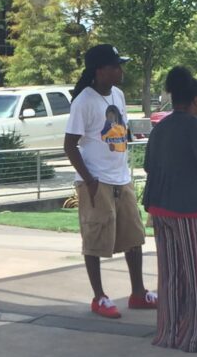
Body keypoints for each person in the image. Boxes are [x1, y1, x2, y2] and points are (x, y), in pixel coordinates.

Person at [64, 44, 157, 319]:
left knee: (134, 237)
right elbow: (70, 145)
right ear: (100, 70)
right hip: (96, 180)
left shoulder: (118, 94)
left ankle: (138, 292)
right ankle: (99, 297)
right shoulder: (84, 101)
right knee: (95, 236)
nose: (121, 70)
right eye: (116, 66)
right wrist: (90, 181)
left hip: (121, 177)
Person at [142, 66, 197, 352]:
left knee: (171, 275)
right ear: (194, 100)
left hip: (160, 208)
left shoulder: (162, 127)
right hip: (194, 210)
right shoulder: (195, 125)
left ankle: (169, 332)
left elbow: (148, 165)